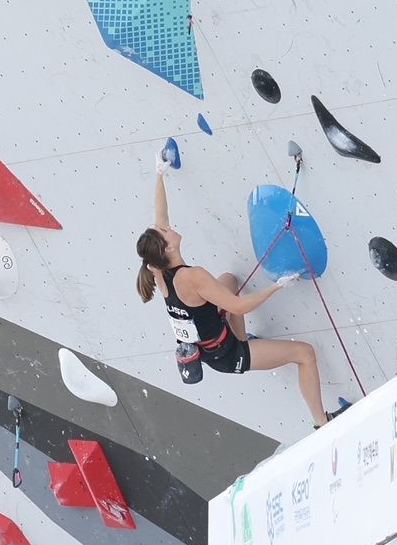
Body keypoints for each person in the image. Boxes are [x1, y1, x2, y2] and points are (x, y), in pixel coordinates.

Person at [136, 149, 335, 426]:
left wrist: (159, 173)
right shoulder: (192, 277)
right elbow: (239, 307)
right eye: (166, 231)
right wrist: (278, 286)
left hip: (209, 341)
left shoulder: (158, 268)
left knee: (229, 280)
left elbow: (161, 216)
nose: (169, 227)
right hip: (227, 355)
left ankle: (241, 336)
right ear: (168, 248)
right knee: (305, 354)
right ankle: (321, 422)